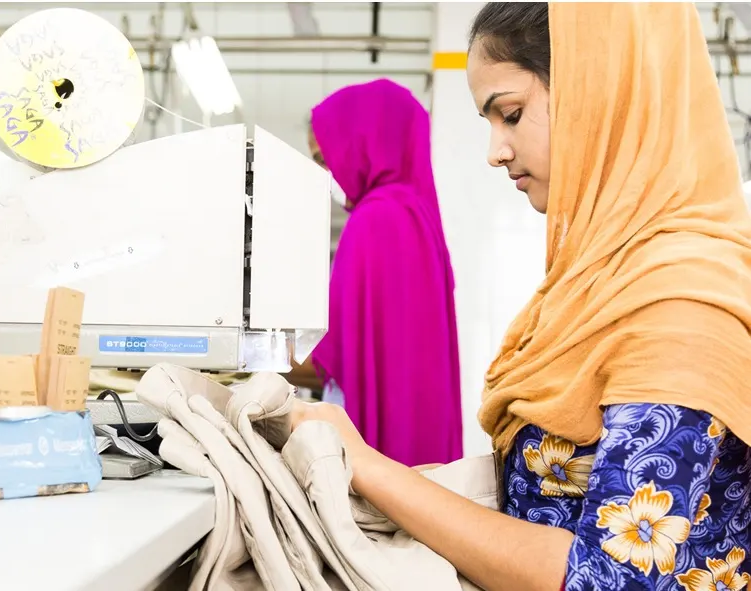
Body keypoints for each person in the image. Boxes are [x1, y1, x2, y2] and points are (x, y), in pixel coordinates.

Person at [291, 3, 751, 591]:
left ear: (600, 95)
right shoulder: (593, 286)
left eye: (510, 114)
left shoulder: (681, 306)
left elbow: (607, 579)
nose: (494, 151)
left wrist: (368, 466)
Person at [294, 78, 464, 468]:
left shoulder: (374, 220)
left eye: (324, 157)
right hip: (419, 453)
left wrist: (244, 358)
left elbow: (336, 362)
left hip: (373, 457)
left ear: (362, 145)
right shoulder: (415, 216)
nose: (327, 173)